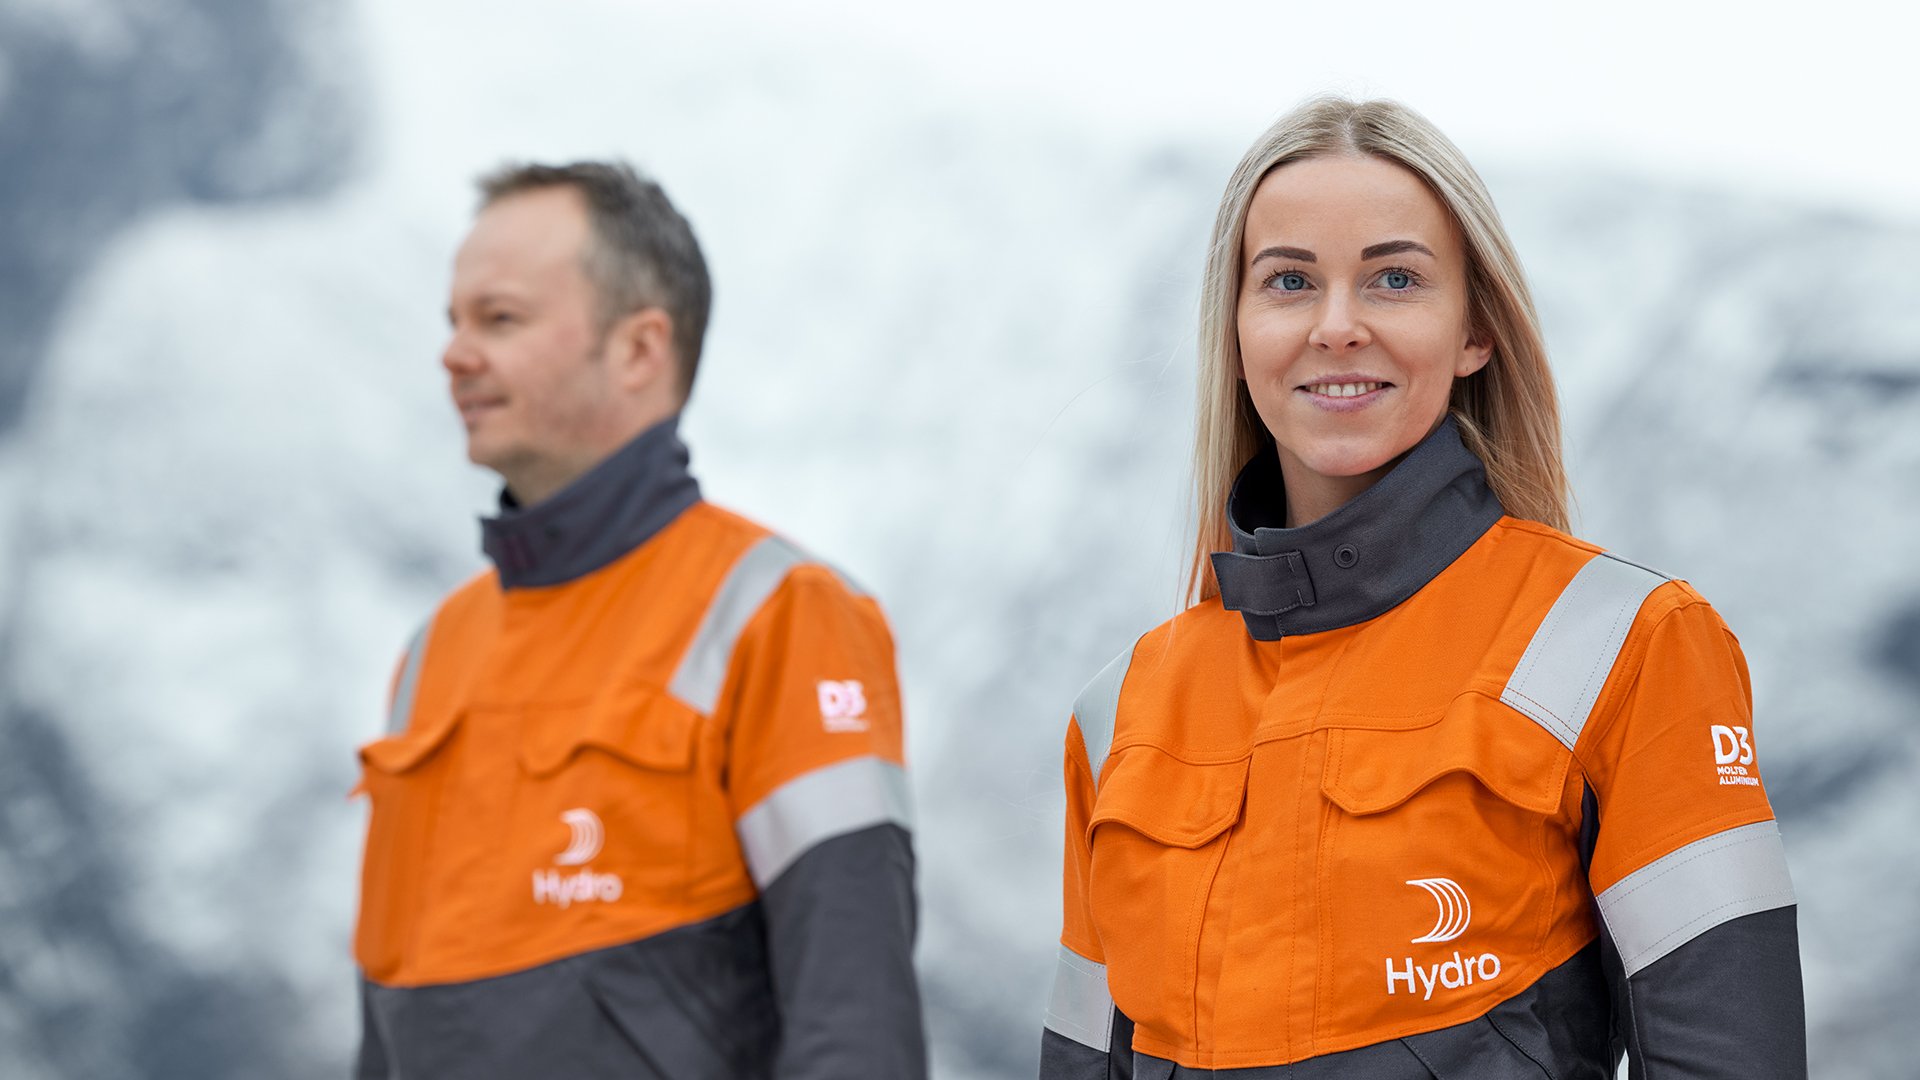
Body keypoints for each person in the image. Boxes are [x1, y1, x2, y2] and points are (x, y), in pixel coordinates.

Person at [1040, 98, 1806, 1079]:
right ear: (1234, 332)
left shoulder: (1631, 644)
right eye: (1288, 281)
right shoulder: (1121, 714)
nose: (1337, 326)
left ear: (1477, 329)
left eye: (1394, 278)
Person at [352, 161, 925, 1079]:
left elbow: (853, 1024)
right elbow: (387, 1027)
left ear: (638, 350)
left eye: (498, 320)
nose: (454, 354)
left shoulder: (780, 614)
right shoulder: (433, 653)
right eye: (453, 322)